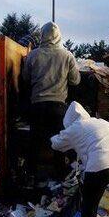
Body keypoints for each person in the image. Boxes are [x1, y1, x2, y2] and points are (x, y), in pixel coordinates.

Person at [22, 22, 80, 177]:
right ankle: (60, 175)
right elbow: (75, 81)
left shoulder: (33, 55)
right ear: (58, 36)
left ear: (42, 35)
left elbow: (25, 78)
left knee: (35, 142)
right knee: (59, 143)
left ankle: (31, 175)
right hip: (58, 107)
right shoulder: (67, 55)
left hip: (37, 106)